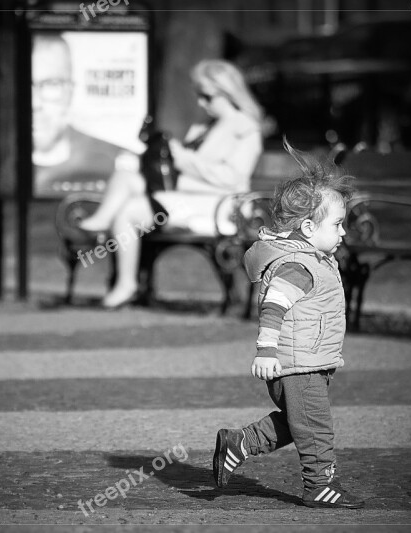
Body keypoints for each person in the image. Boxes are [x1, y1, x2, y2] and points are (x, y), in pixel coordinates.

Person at [211, 143, 366, 509]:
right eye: (338, 224)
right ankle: (318, 485)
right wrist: (265, 351)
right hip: (296, 366)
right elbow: (273, 306)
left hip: (307, 362)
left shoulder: (312, 257)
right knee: (315, 428)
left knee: (299, 423)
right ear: (309, 227)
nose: (344, 233)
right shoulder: (298, 265)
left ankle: (240, 443)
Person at [78, 59, 264, 308]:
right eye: (198, 95)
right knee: (127, 176)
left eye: (207, 96)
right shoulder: (204, 127)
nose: (201, 103)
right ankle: (103, 224)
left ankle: (125, 279)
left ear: (226, 92)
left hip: (218, 205)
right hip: (186, 196)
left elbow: (232, 179)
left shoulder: (245, 128)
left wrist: (185, 160)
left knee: (130, 212)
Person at [32, 33, 124, 197]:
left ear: (71, 90)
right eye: (26, 86)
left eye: (51, 84)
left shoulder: (116, 160)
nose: (35, 103)